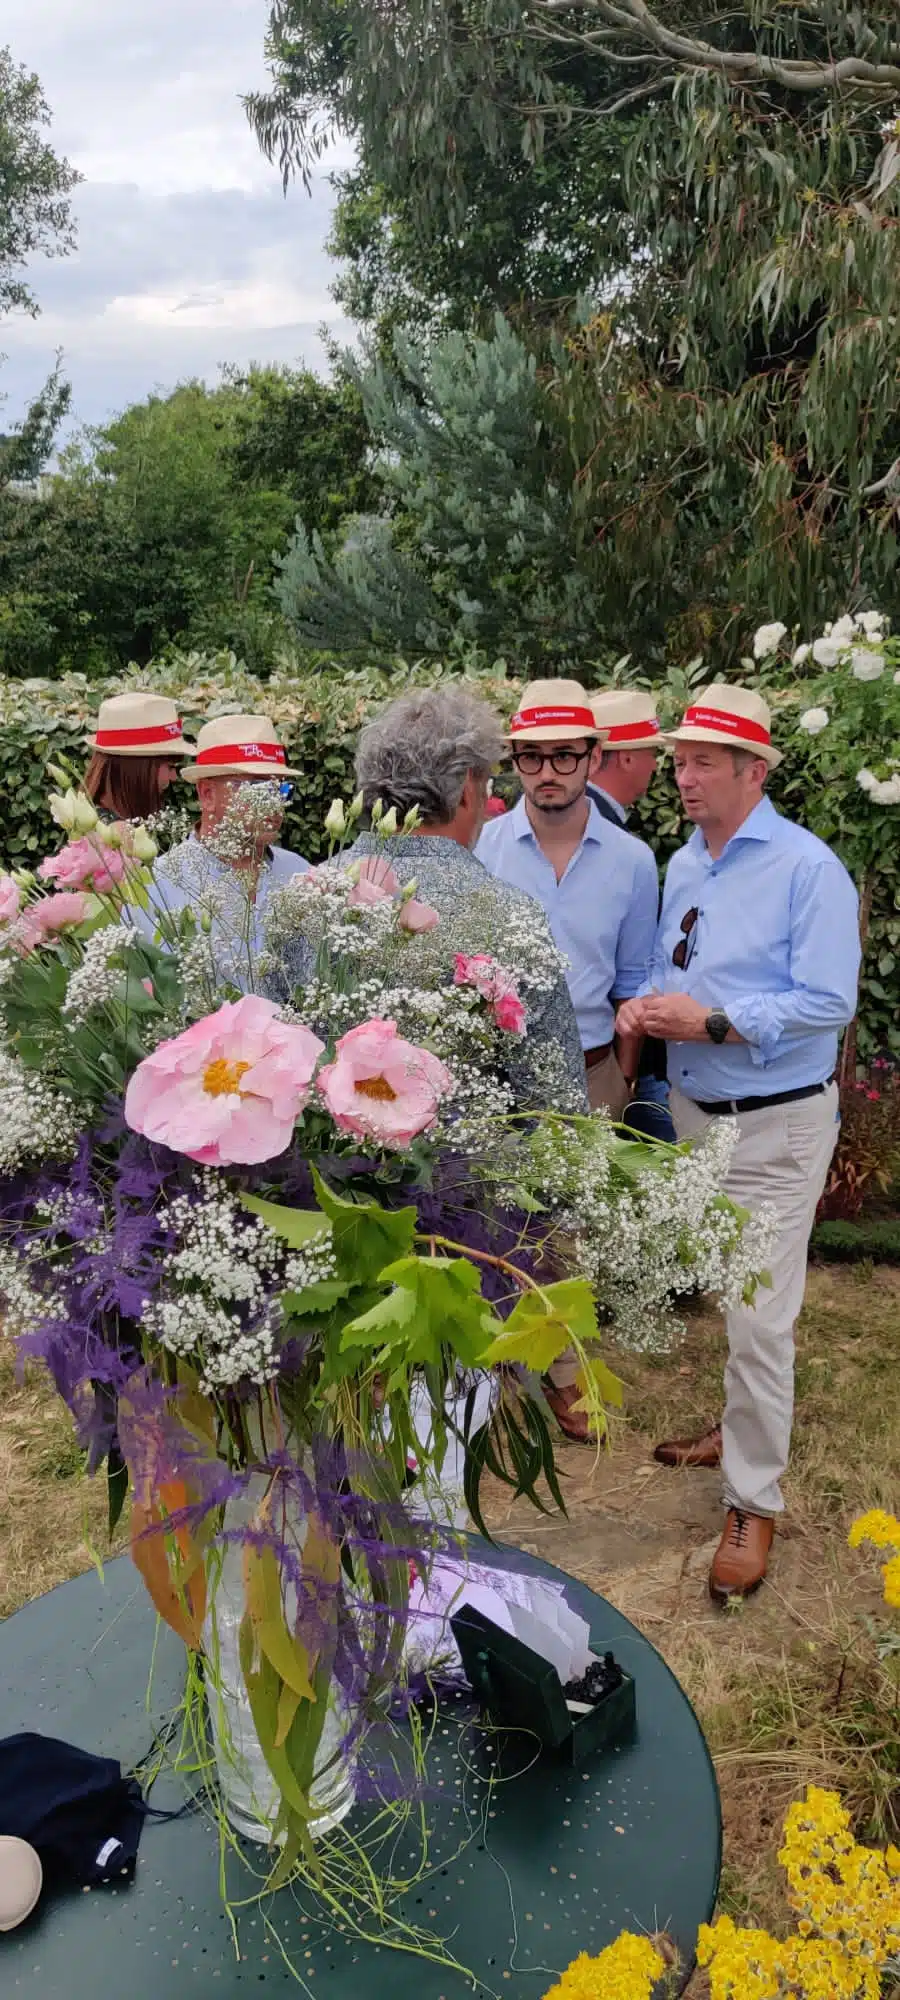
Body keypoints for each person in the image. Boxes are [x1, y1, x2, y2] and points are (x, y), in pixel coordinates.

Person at [615, 684, 860, 1604]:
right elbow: (674, 965)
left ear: (754, 772)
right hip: (697, 1116)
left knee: (760, 1316)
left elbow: (829, 1001)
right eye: (679, 762)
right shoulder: (688, 862)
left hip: (776, 1122)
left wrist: (712, 1022)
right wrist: (646, 1004)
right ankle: (739, 1430)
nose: (683, 778)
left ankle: (753, 1500)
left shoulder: (808, 869)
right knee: (733, 1291)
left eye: (703, 763)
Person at [348, 685, 587, 1117]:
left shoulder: (311, 894)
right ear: (466, 791)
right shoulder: (511, 915)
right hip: (467, 1158)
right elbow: (556, 1107)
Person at [476, 679, 659, 1123]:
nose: (547, 773)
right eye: (531, 756)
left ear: (593, 758)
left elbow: (632, 983)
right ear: (514, 760)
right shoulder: (480, 848)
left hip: (594, 1074)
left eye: (563, 755)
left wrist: (625, 1079)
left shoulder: (633, 860)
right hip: (496, 1080)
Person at [130, 714, 308, 993]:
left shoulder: (300, 872)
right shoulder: (156, 886)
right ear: (207, 795)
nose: (275, 804)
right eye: (259, 789)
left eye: (282, 789)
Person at [586, 689, 675, 1143]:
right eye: (651, 753)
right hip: (601, 1066)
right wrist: (625, 1073)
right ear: (624, 758)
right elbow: (625, 976)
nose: (656, 765)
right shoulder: (607, 837)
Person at [84, 692, 193, 821]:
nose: (174, 777)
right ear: (136, 767)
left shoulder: (88, 818)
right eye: (170, 767)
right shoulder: (118, 831)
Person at [586, 689, 662, 827]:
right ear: (627, 760)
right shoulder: (601, 826)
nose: (654, 766)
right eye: (652, 755)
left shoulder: (580, 813)